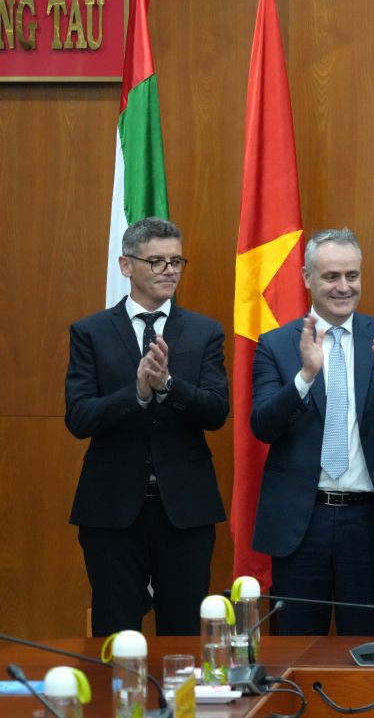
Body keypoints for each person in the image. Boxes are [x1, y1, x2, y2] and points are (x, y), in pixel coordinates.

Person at [251, 228, 374, 635]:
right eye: (331, 276)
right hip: (302, 520)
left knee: (364, 646)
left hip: (368, 520)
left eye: (352, 275)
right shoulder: (277, 344)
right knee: (294, 647)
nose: (343, 286)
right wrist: (304, 376)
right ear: (307, 278)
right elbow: (262, 425)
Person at [66, 217, 228, 636]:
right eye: (156, 262)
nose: (169, 270)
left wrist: (170, 386)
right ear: (126, 265)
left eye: (176, 261)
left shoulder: (204, 331)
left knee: (186, 633)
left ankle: (183, 705)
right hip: (112, 510)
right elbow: (79, 417)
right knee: (116, 634)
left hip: (185, 511)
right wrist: (136, 393)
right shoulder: (91, 332)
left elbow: (215, 411)